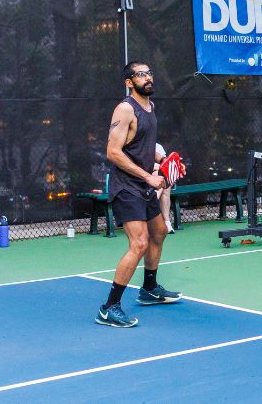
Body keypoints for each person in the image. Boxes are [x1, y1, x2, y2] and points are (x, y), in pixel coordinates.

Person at [96, 62, 182, 328]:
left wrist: (164, 158)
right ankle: (109, 307)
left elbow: (142, 146)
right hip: (126, 187)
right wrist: (148, 176)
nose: (147, 78)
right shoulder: (125, 109)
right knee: (139, 243)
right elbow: (113, 151)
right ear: (129, 82)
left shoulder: (150, 107)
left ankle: (149, 288)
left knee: (159, 232)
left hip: (143, 186)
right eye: (141, 74)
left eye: (149, 73)